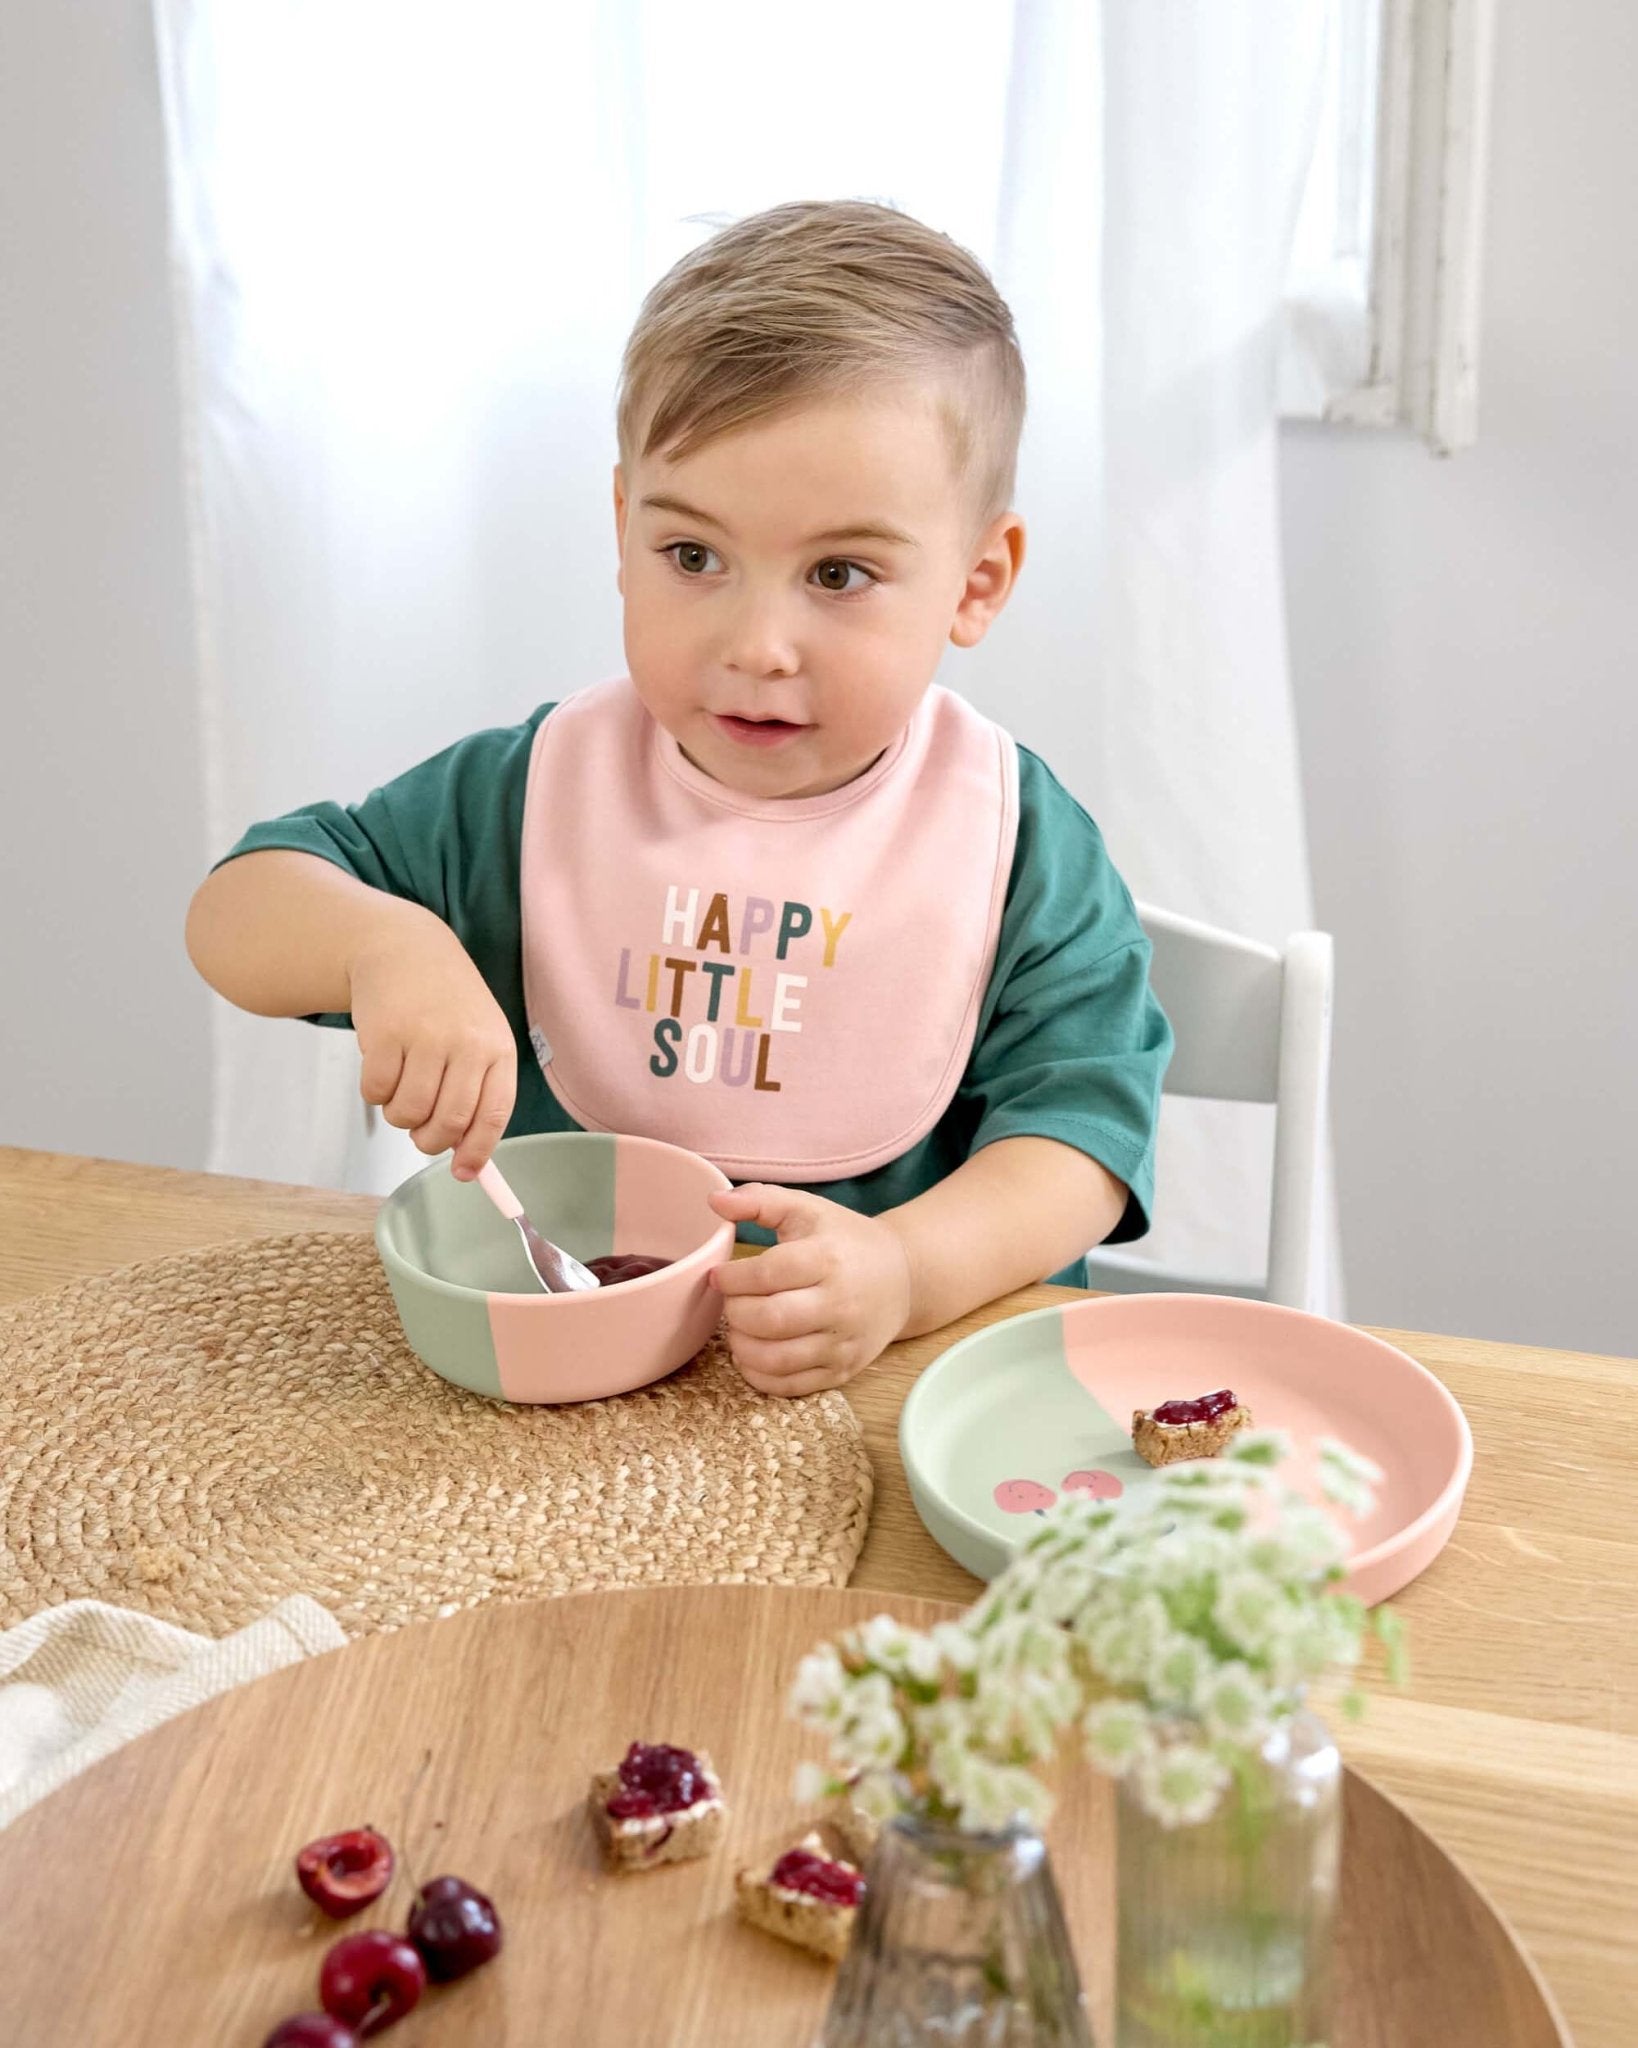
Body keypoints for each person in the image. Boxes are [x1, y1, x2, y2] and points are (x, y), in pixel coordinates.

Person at [186, 199, 1172, 1398]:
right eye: (693, 556)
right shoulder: (535, 793)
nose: (757, 643)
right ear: (620, 528)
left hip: (891, 1401)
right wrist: (380, 942)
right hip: (560, 1421)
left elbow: (1084, 1141)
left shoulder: (1014, 839)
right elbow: (236, 913)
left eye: (840, 573)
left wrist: (905, 1270)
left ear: (976, 581)